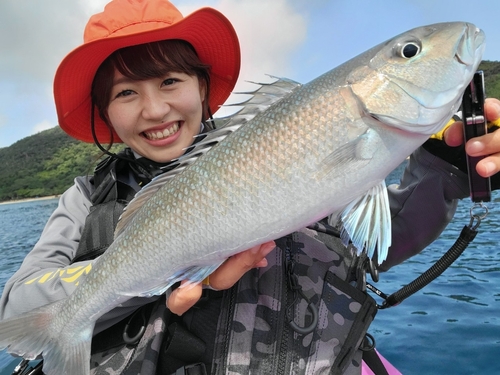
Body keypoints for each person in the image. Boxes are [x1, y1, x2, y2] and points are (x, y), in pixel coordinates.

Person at [1, 0, 500, 374]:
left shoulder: (270, 142)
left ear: (202, 86)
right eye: (127, 92)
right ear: (105, 113)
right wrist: (141, 272)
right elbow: (17, 307)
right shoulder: (87, 199)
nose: (154, 110)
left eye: (170, 82)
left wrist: (446, 170)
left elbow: (376, 247)